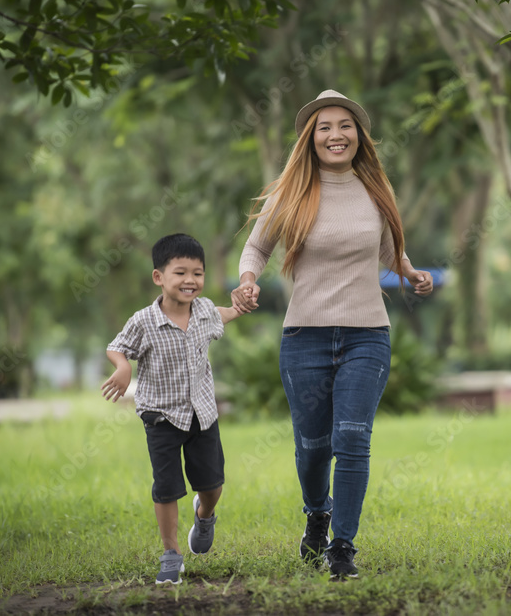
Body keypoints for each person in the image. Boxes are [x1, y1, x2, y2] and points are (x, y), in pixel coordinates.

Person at [231, 89, 434, 579]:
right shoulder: (292, 192)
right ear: (311, 137)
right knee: (313, 445)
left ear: (358, 136)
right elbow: (255, 249)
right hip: (305, 337)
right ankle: (316, 513)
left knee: (353, 438)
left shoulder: (375, 190)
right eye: (325, 127)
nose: (335, 134)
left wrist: (411, 272)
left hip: (368, 335)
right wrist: (247, 281)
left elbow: (388, 251)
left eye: (345, 125)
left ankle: (342, 546)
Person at [102, 233, 245, 585]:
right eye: (180, 272)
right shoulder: (143, 321)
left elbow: (223, 314)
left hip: (203, 416)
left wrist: (240, 306)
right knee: (166, 487)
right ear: (159, 277)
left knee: (212, 484)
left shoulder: (205, 311)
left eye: (197, 273)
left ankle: (205, 514)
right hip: (160, 417)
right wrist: (123, 368)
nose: (190, 281)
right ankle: (171, 553)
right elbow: (116, 347)